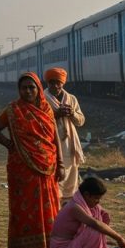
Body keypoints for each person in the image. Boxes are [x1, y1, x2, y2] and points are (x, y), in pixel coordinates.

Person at [0, 72, 64, 248]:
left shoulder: (46, 108)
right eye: (24, 88)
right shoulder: (13, 110)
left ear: (39, 88)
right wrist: (8, 144)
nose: (28, 91)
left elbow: (54, 137)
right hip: (21, 167)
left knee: (47, 208)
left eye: (32, 87)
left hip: (47, 165)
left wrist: (61, 164)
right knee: (22, 208)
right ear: (19, 90)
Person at [50, 177, 125, 248]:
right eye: (96, 198)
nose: (98, 202)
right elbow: (95, 224)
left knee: (102, 221)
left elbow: (103, 218)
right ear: (87, 195)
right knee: (94, 231)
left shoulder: (88, 204)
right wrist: (119, 238)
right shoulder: (74, 207)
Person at [43, 67, 86, 200]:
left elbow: (81, 121)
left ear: (63, 83)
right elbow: (40, 122)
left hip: (69, 145)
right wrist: (56, 115)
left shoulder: (71, 99)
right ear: (47, 83)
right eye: (51, 82)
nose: (55, 86)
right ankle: (55, 201)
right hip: (51, 142)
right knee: (54, 175)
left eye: (58, 82)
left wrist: (72, 113)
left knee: (71, 174)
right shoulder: (43, 99)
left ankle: (69, 201)